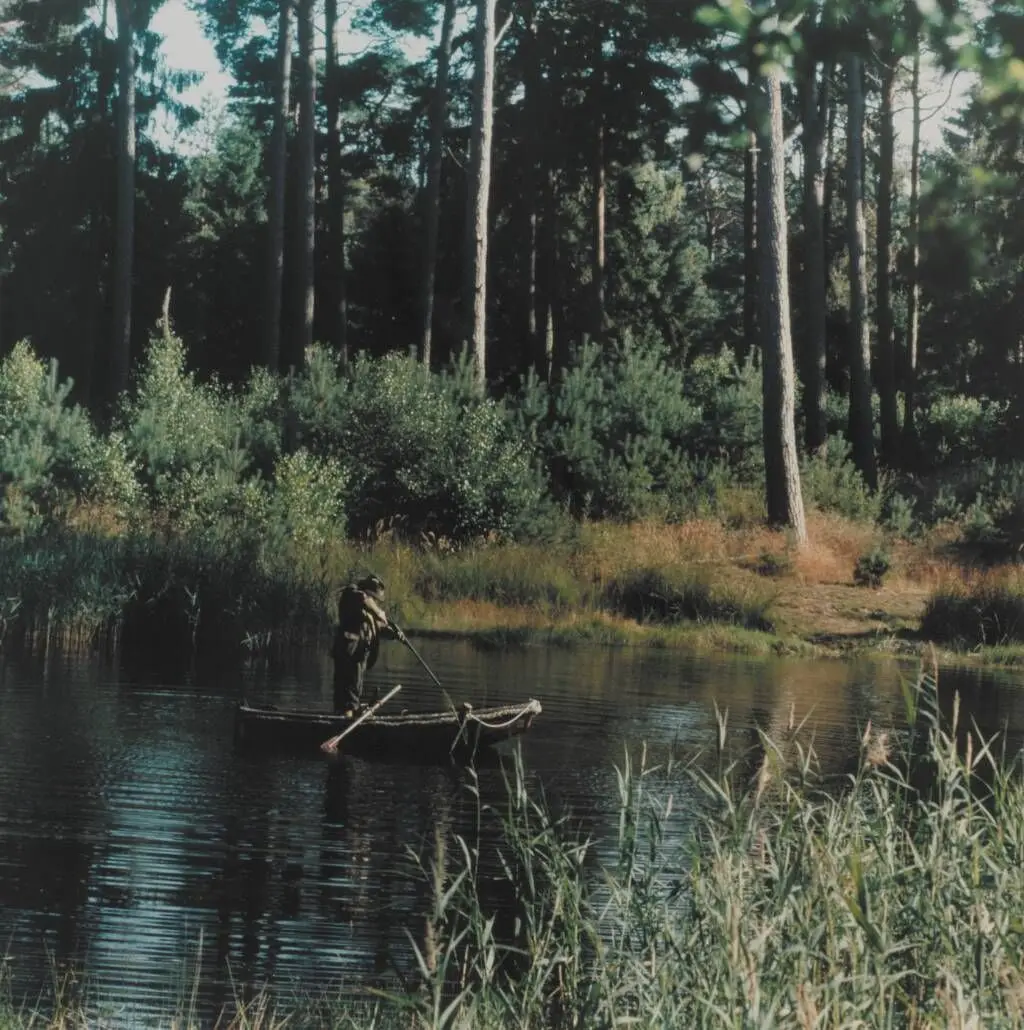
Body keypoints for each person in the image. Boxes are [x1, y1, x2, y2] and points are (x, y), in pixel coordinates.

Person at [332, 574, 405, 712]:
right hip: (348, 656)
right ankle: (346, 719)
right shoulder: (351, 594)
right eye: (374, 598)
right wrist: (379, 612)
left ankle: (351, 713)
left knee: (354, 694)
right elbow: (362, 599)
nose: (375, 602)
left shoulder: (367, 612)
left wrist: (394, 633)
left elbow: (376, 627)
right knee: (347, 696)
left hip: (358, 659)